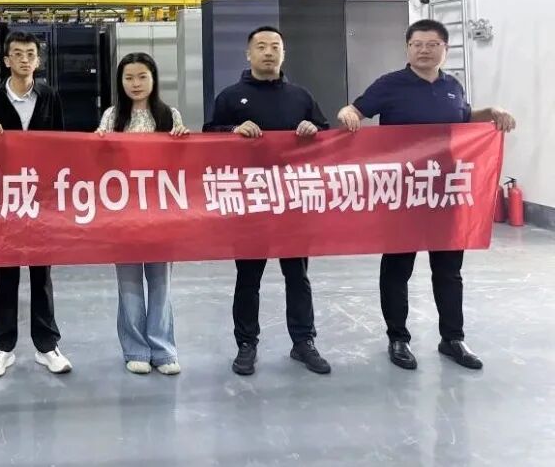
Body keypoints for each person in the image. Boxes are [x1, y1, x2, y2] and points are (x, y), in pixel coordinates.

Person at [338, 19, 516, 371]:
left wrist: (492, 112)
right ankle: (398, 338)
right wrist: (347, 114)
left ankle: (453, 338)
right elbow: (354, 110)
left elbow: (464, 117)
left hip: (443, 193)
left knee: (449, 270)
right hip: (402, 192)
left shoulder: (452, 86)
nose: (424, 50)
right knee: (397, 268)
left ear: (444, 50)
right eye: (417, 44)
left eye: (432, 44)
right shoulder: (389, 84)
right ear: (407, 48)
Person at [203, 26, 332, 377]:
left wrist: (314, 130)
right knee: (248, 277)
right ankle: (246, 344)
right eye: (261, 46)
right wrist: (232, 131)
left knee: (297, 276)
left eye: (275, 46)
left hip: (292, 200)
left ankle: (303, 342)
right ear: (249, 54)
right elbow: (209, 136)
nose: (269, 52)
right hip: (250, 201)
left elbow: (326, 136)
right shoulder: (231, 97)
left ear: (283, 53)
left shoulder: (301, 96)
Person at [0, 31, 72, 378]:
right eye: (17, 54)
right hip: (5, 197)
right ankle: (2, 347)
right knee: (6, 273)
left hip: (41, 197)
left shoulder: (49, 96)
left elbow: (61, 144)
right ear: (6, 61)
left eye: (30, 54)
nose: (24, 59)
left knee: (41, 273)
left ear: (38, 60)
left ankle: (47, 346)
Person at [96, 52, 189, 375]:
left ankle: (163, 351)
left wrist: (183, 141)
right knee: (129, 284)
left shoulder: (169, 116)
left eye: (142, 77)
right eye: (128, 78)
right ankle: (135, 349)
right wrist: (98, 143)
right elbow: (98, 161)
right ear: (120, 82)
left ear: (153, 79)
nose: (135, 84)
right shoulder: (111, 117)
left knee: (161, 283)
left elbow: (181, 165)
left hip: (161, 213)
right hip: (123, 213)